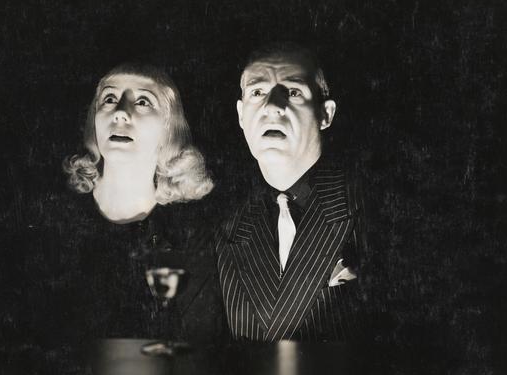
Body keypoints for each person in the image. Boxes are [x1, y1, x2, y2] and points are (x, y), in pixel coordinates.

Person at [25, 63, 225, 345]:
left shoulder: (195, 236)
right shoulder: (50, 219)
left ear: (169, 128)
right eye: (109, 98)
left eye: (143, 101)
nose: (120, 112)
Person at [216, 42, 368, 342]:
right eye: (257, 92)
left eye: (293, 92)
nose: (272, 106)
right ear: (241, 115)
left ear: (325, 114)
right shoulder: (228, 228)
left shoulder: (368, 205)